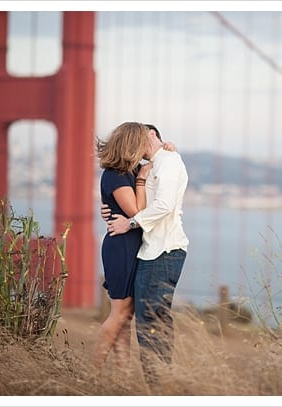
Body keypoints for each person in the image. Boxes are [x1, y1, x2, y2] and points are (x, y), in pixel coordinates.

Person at [105, 123, 189, 387]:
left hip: (163, 252)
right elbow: (135, 200)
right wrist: (108, 208)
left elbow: (164, 205)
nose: (132, 147)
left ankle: (160, 385)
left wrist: (129, 224)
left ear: (152, 136)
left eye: (137, 139)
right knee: (146, 321)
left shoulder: (169, 161)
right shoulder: (152, 164)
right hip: (150, 251)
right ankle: (156, 385)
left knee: (152, 321)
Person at [93, 122, 153, 369]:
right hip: (122, 247)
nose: (145, 147)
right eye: (142, 142)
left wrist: (170, 149)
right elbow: (137, 212)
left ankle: (122, 375)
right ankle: (92, 373)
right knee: (119, 313)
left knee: (125, 316)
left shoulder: (128, 171)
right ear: (131, 144)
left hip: (128, 244)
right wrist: (141, 181)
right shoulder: (116, 175)